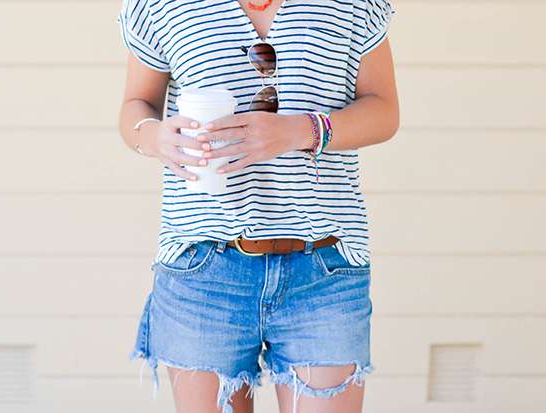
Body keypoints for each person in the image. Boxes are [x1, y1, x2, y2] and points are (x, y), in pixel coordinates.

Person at [116, 0, 399, 412]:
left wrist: (302, 130)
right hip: (202, 269)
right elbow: (134, 107)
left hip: (323, 268)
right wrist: (153, 136)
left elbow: (384, 109)